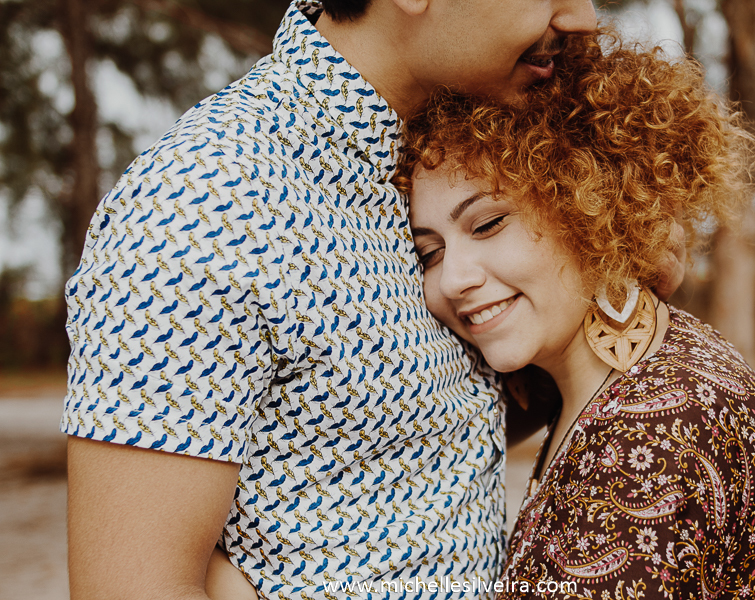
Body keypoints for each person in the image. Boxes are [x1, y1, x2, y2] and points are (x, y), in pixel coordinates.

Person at [63, 1, 686, 599]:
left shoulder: (450, 150)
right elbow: (131, 589)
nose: (578, 17)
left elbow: (439, 433)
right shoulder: (205, 203)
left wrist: (611, 274)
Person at [396, 28, 755, 599]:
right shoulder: (643, 373)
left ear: (592, 203)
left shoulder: (652, 431)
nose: (454, 278)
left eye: (487, 224)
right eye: (431, 251)